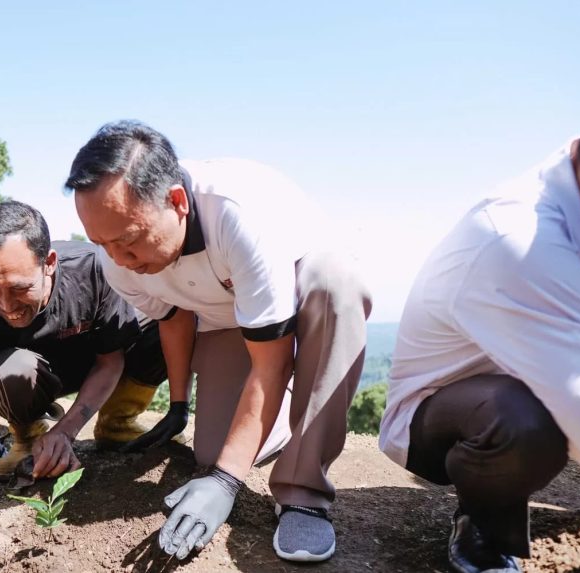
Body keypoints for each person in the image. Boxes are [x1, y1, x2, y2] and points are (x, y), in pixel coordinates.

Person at [66, 120, 372, 562]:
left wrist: (228, 481)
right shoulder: (117, 260)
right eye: (103, 244)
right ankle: (289, 411)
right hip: (227, 316)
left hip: (304, 292)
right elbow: (173, 317)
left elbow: (272, 363)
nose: (120, 259)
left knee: (336, 284)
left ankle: (304, 490)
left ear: (176, 201)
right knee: (212, 452)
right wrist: (177, 404)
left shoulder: (236, 215)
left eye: (129, 241)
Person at [0, 200, 167, 573]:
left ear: (50, 263)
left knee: (162, 325)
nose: (6, 306)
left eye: (20, 288)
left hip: (98, 362)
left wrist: (68, 432)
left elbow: (110, 361)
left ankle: (116, 422)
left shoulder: (95, 271)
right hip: (31, 374)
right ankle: (26, 433)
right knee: (12, 369)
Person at [379, 132, 580, 573]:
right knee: (527, 422)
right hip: (443, 421)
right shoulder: (517, 238)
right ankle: (484, 524)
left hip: (535, 379)